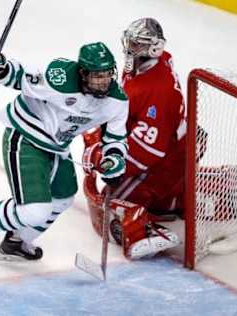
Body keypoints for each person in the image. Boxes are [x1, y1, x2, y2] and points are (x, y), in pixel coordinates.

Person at [0, 42, 129, 261]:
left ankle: (16, 241)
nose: (104, 81)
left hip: (57, 147)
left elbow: (115, 139)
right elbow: (19, 76)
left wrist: (115, 159)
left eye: (107, 74)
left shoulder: (117, 100)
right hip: (26, 137)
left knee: (63, 199)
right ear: (82, 73)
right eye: (97, 75)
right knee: (34, 211)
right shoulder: (60, 77)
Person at [82, 18, 186, 260]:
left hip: (161, 166)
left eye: (137, 44)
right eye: (130, 41)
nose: (130, 48)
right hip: (168, 152)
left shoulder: (161, 91)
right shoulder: (146, 66)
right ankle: (175, 199)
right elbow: (128, 106)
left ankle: (148, 233)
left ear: (154, 48)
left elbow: (148, 151)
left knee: (111, 200)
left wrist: (104, 158)